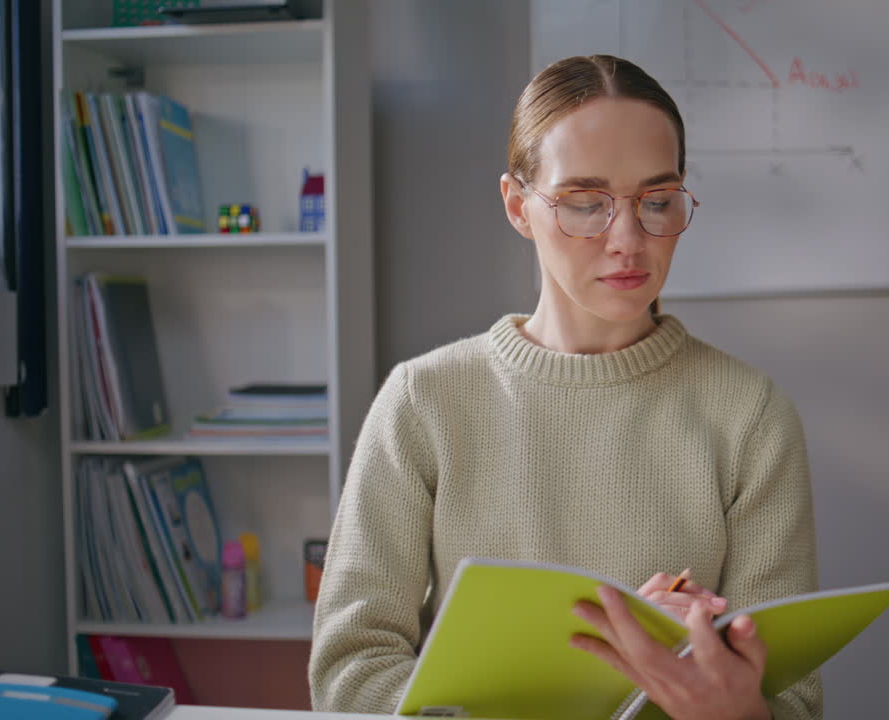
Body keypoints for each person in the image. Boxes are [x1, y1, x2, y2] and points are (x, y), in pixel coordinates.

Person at [309, 54, 821, 720]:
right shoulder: (424, 401)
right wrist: (600, 660)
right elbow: (348, 679)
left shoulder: (750, 416)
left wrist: (728, 703)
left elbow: (794, 705)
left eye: (657, 201)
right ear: (518, 206)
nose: (629, 240)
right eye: (586, 204)